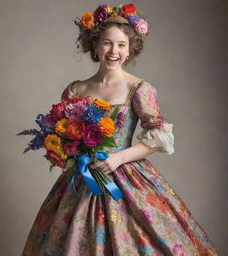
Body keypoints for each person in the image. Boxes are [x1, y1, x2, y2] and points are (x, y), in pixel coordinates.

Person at [22, 4, 219, 256]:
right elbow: (60, 134)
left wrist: (118, 158)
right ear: (95, 45)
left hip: (125, 175)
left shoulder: (139, 88)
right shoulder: (76, 90)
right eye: (107, 43)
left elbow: (158, 138)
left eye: (121, 45)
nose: (114, 51)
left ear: (130, 49)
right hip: (83, 177)